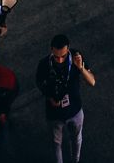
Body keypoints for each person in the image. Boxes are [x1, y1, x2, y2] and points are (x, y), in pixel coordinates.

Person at [36, 34, 95, 163]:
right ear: (51, 49)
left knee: (76, 139)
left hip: (75, 110)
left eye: (63, 56)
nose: (60, 60)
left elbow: (92, 82)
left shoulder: (76, 57)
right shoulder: (44, 64)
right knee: (56, 143)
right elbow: (39, 83)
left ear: (68, 49)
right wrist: (49, 97)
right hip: (54, 114)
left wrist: (81, 68)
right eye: (56, 57)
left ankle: (76, 160)